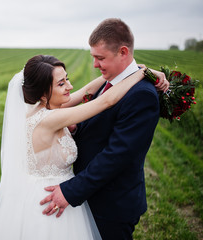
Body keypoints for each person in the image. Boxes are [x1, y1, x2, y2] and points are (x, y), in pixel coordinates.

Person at [0, 53, 168, 239]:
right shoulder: (49, 118)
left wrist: (136, 69)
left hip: (57, 193)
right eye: (61, 84)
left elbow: (89, 89)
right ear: (43, 93)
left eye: (67, 79)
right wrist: (142, 74)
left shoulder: (47, 107)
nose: (69, 86)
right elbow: (106, 100)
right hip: (50, 200)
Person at [40, 18, 165, 239]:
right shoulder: (111, 82)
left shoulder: (142, 95)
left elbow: (117, 155)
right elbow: (99, 126)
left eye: (100, 58)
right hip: (93, 197)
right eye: (94, 57)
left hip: (112, 205)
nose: (95, 65)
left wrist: (71, 191)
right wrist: (76, 130)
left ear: (123, 52)